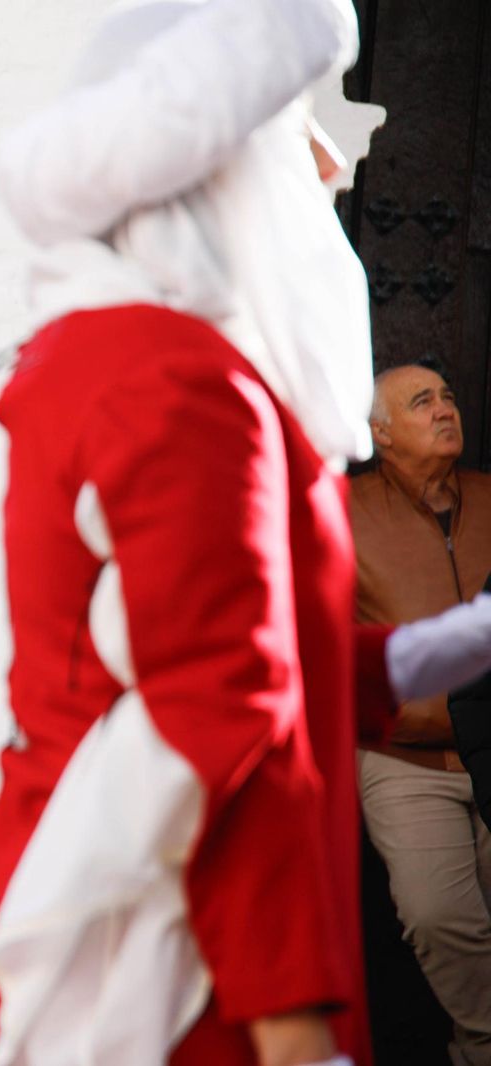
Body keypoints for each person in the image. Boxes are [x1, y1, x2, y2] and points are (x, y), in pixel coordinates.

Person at [0, 2, 491, 1064]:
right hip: (174, 964)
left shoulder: (128, 357)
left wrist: (433, 648)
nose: (330, 164)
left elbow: (239, 653)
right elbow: (210, 715)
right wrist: (290, 1025)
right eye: (295, 136)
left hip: (165, 894)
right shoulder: (180, 383)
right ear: (222, 178)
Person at [350, 363, 491, 1064]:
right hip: (404, 758)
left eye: (449, 395)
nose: (444, 408)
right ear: (380, 434)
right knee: (439, 917)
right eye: (421, 401)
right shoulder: (342, 515)